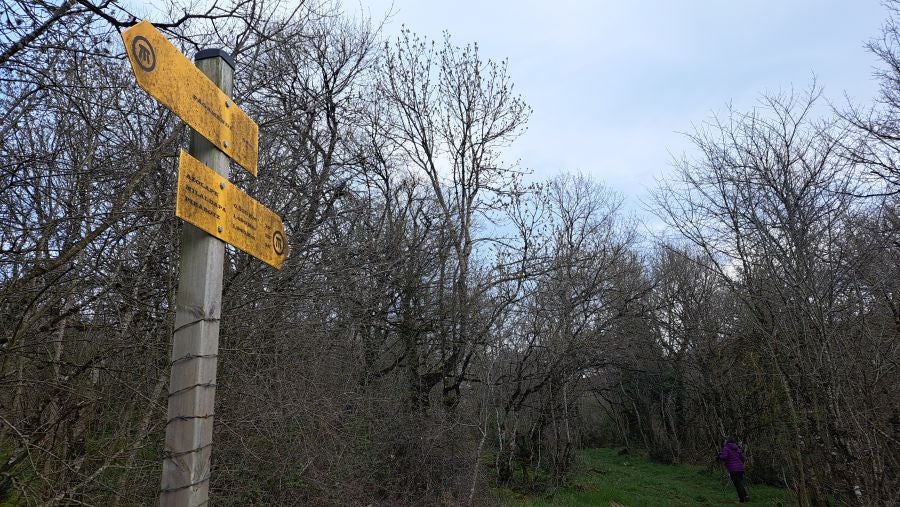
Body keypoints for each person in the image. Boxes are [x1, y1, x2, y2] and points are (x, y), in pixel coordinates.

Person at [717, 437, 748, 503]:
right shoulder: (737, 448)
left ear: (727, 442)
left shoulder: (726, 447)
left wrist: (719, 456)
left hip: (733, 469)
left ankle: (742, 500)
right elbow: (742, 458)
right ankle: (746, 497)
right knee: (741, 483)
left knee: (737, 484)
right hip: (740, 468)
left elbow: (724, 457)